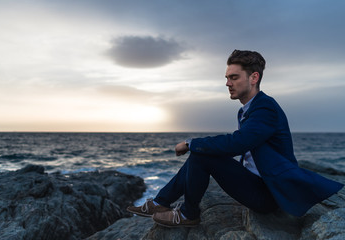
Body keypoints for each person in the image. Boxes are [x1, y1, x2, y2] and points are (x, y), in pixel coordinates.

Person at [127, 50, 344, 228]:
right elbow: (240, 144)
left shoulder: (265, 107)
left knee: (202, 155)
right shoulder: (246, 110)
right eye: (227, 78)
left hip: (269, 193)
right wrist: (197, 146)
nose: (227, 83)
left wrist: (191, 143)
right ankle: (160, 203)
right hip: (255, 183)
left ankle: (187, 214)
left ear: (254, 77)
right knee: (201, 154)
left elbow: (238, 143)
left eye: (234, 77)